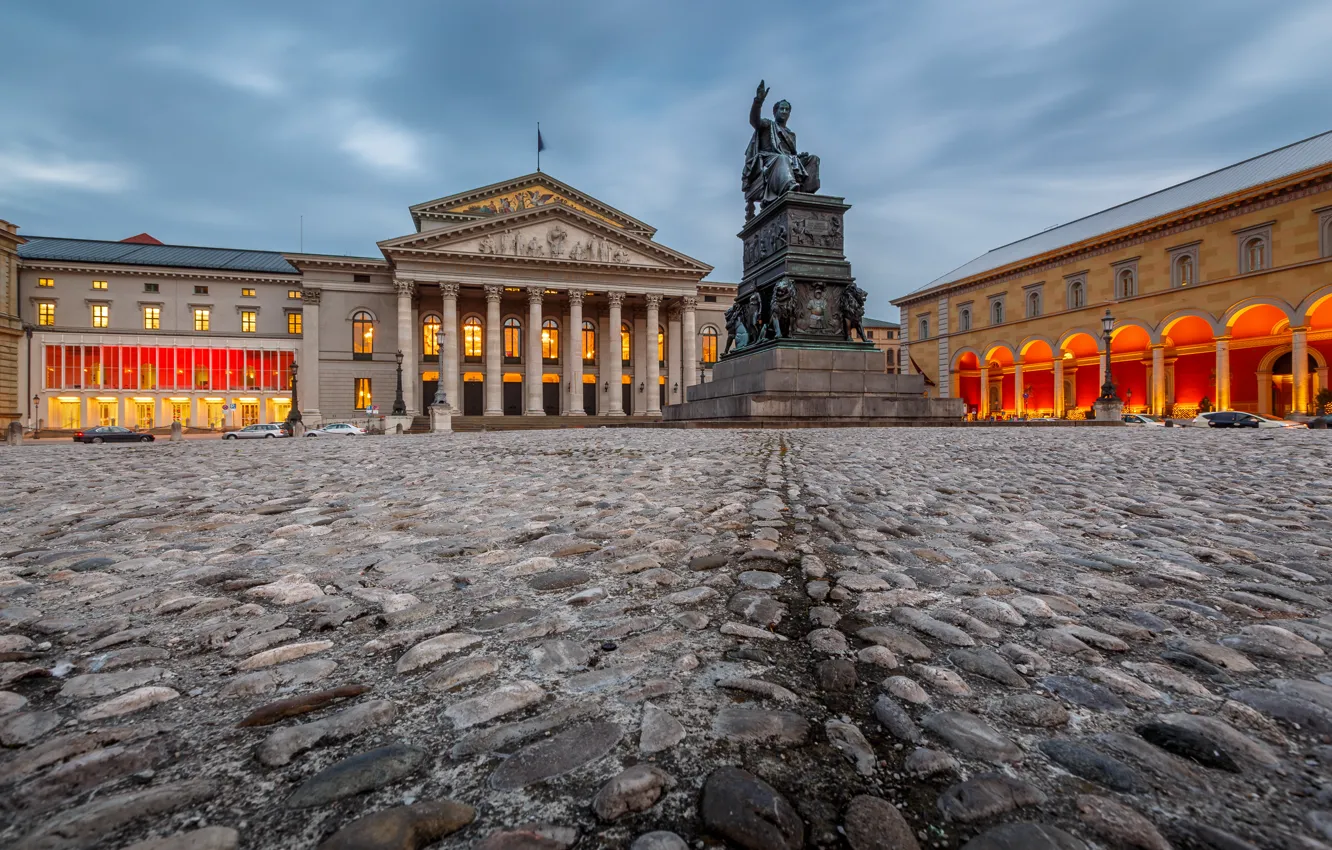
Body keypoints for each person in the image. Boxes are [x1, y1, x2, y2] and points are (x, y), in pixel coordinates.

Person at [742, 80, 820, 217]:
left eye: (787, 109)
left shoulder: (791, 134)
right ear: (775, 112)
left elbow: (791, 154)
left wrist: (800, 157)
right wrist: (758, 102)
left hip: (787, 161)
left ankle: (806, 194)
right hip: (769, 160)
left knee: (813, 159)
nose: (784, 111)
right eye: (781, 109)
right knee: (782, 158)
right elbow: (755, 121)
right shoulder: (767, 125)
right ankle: (789, 185)